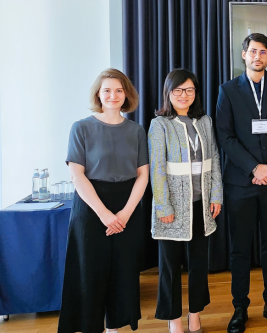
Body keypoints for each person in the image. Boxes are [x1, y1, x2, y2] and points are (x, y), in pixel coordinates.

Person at [216, 33, 267, 332]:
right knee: (239, 247)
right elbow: (224, 136)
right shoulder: (228, 90)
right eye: (253, 51)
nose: (258, 56)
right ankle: (240, 307)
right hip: (241, 180)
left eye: (263, 52)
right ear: (243, 54)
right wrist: (254, 167)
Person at [58, 68, 148, 333]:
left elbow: (143, 176)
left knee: (123, 271)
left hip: (127, 205)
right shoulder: (81, 127)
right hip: (90, 207)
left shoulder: (137, 130)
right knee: (90, 272)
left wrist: (125, 214)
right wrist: (105, 214)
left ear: (127, 95)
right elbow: (76, 175)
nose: (113, 95)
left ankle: (115, 328)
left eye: (119, 90)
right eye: (107, 90)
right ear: (98, 94)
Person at [148, 69, 223, 333]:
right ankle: (174, 320)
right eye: (178, 90)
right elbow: (156, 168)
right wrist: (162, 206)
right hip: (173, 207)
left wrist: (216, 195)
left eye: (190, 90)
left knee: (199, 264)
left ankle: (195, 316)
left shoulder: (204, 121)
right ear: (169, 92)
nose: (184, 95)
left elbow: (213, 158)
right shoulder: (160, 124)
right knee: (169, 266)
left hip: (201, 204)